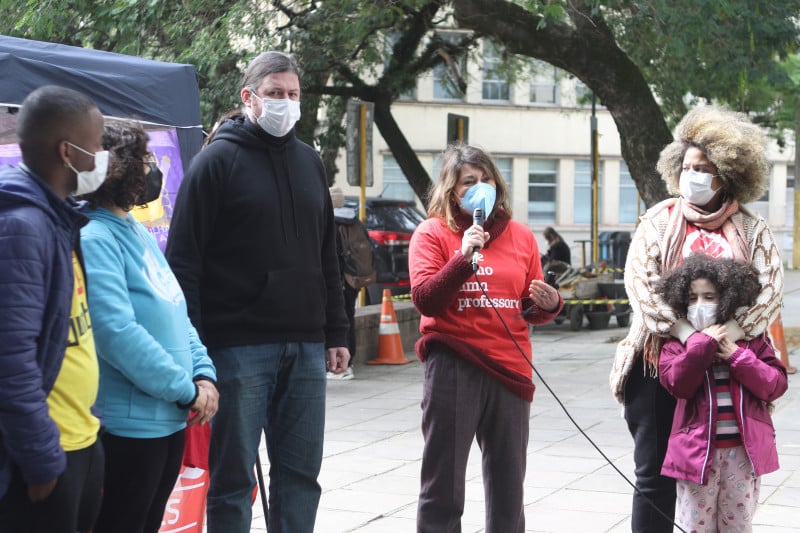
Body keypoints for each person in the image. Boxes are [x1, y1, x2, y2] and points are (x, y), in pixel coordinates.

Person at [165, 51, 351, 533]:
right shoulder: (215, 163)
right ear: (249, 98)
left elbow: (328, 255)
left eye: (293, 95)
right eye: (275, 94)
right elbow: (184, 262)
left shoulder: (310, 162)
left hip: (307, 346)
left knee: (301, 476)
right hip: (236, 348)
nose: (285, 103)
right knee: (231, 481)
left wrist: (337, 331)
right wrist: (196, 349)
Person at [609, 105, 783, 533]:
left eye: (703, 167)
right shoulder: (658, 220)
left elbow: (771, 292)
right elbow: (641, 286)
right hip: (659, 363)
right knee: (654, 475)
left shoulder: (752, 228)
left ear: (725, 173)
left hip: (728, 365)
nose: (694, 175)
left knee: (713, 478)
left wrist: (729, 337)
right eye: (687, 166)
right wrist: (687, 336)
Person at [409, 143, 563, 533]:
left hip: (510, 368)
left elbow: (527, 306)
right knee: (443, 484)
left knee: (509, 486)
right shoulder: (432, 234)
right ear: (452, 191)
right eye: (469, 182)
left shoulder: (521, 236)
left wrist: (549, 304)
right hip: (454, 363)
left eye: (486, 179)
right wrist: (463, 256)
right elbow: (427, 299)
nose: (480, 187)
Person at [77, 119, 219, 533]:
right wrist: (186, 389)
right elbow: (116, 332)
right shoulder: (95, 237)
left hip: (169, 419)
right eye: (143, 159)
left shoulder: (135, 233)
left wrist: (203, 374)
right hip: (130, 426)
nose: (151, 168)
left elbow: (177, 312)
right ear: (115, 168)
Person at [0, 85, 106, 533]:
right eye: (98, 145)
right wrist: (42, 460)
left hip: (80, 438)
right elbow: (10, 359)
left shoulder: (59, 218)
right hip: (48, 453)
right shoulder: (23, 228)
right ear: (68, 151)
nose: (102, 156)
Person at [654, 253, 787, 533]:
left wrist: (739, 357)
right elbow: (677, 383)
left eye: (709, 297)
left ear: (727, 298)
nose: (699, 305)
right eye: (692, 298)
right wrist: (701, 346)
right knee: (696, 526)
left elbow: (775, 385)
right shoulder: (676, 346)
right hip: (697, 457)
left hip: (743, 454)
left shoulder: (752, 341)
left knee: (737, 525)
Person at [329, 186, 360, 381]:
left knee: (342, 319)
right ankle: (351, 361)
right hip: (353, 279)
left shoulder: (332, 221)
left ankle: (344, 365)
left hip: (340, 280)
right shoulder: (353, 220)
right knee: (350, 316)